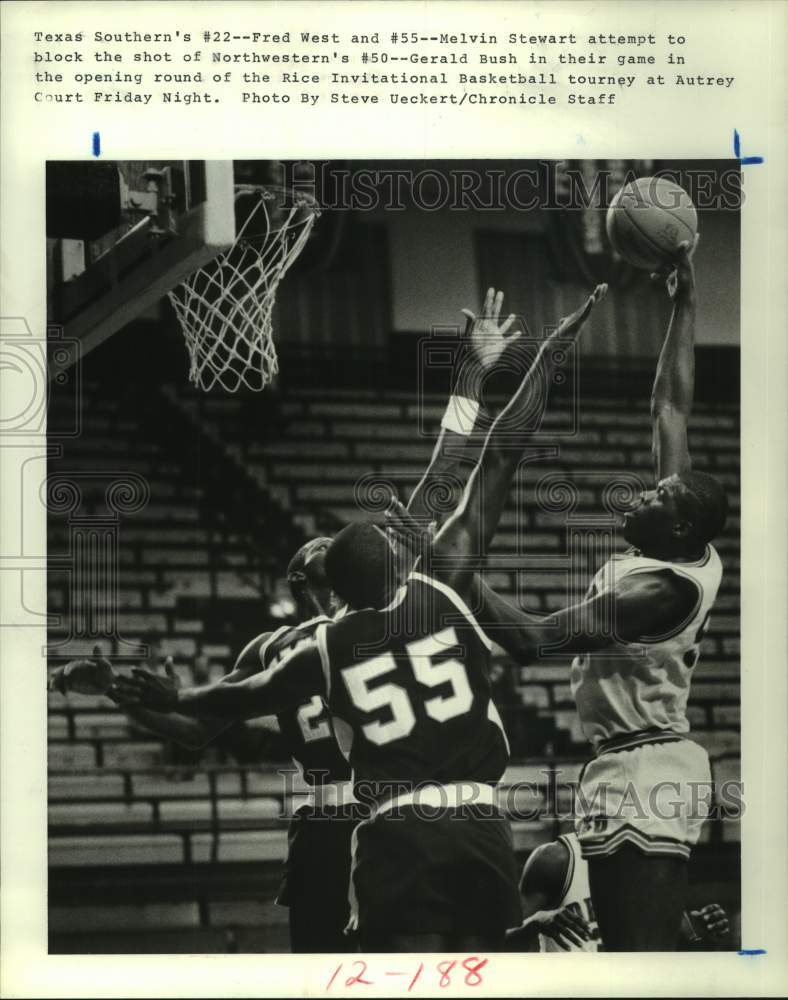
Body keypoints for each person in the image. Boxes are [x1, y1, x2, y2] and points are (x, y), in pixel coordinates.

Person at [118, 284, 606, 953]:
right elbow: (474, 466)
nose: (322, 545)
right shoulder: (396, 599)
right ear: (310, 584)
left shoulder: (324, 644)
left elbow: (229, 702)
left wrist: (472, 372)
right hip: (379, 823)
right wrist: (524, 363)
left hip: (390, 821)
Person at [467, 240, 728, 950]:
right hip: (624, 760)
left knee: (637, 964)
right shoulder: (675, 540)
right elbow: (670, 405)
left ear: (675, 524)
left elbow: (528, 641)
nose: (642, 490)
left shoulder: (656, 593)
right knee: (626, 950)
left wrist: (457, 569)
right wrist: (686, 299)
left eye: (655, 494)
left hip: (649, 764)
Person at [51, 537, 360, 954]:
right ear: (305, 585)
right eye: (328, 572)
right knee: (325, 967)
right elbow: (194, 731)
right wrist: (115, 692)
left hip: (384, 814)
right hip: (336, 820)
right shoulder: (284, 645)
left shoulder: (357, 631)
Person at [505, 831, 730, 952]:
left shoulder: (655, 862)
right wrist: (536, 923)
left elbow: (668, 943)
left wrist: (698, 929)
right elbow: (491, 944)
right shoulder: (557, 859)